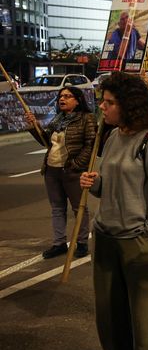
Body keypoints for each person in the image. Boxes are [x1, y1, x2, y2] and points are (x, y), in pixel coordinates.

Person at [80, 72, 148, 350]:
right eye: (102, 102)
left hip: (139, 238)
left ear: (128, 105)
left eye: (109, 103)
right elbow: (111, 186)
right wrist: (95, 184)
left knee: (146, 311)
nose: (103, 108)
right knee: (109, 310)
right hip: (106, 235)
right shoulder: (111, 137)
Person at [25, 86, 96, 259]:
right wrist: (34, 126)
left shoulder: (86, 118)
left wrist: (77, 165)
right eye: (60, 96)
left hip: (72, 171)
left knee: (79, 207)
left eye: (67, 96)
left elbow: (90, 144)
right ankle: (59, 243)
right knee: (57, 208)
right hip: (52, 170)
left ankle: (81, 243)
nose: (62, 99)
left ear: (77, 100)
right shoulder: (57, 119)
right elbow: (45, 141)